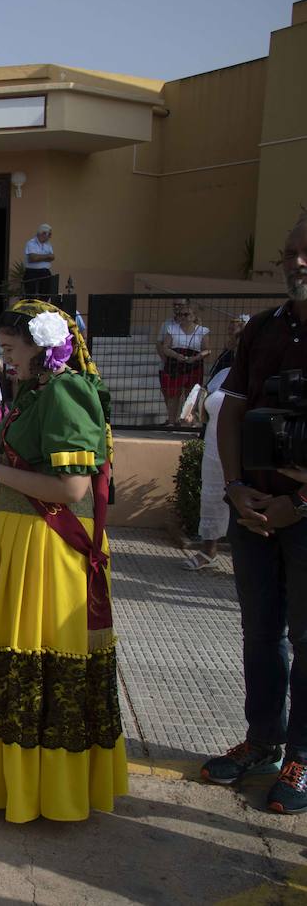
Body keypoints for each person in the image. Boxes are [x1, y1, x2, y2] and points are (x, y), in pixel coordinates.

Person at [0, 299, 125, 822]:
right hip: (21, 537)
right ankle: (12, 776)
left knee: (35, 654)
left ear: (42, 347)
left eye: (8, 349)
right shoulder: (38, 390)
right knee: (8, 649)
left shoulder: (65, 391)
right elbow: (33, 465)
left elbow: (71, 488)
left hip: (48, 545)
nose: (3, 359)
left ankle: (46, 789)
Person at [200, 214, 307, 814]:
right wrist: (236, 488)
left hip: (302, 515)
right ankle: (264, 742)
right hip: (254, 511)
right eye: (290, 252)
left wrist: (300, 504)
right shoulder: (265, 328)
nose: (297, 263)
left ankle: (303, 757)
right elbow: (232, 410)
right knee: (262, 633)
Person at [184, 366, 233, 571]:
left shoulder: (260, 372)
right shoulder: (224, 373)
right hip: (214, 446)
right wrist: (193, 412)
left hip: (242, 446)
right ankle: (208, 551)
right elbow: (205, 404)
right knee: (212, 498)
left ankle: (246, 555)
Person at [157, 299, 211, 427]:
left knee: (191, 393)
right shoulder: (172, 328)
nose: (183, 317)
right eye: (181, 314)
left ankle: (189, 422)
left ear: (194, 316)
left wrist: (196, 358)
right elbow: (165, 347)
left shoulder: (202, 331)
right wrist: (176, 356)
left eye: (186, 314)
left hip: (194, 363)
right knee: (173, 394)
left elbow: (207, 350)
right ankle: (172, 422)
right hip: (176, 362)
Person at [208, 313, 250, 382]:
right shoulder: (228, 342)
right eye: (229, 329)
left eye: (233, 329)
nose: (229, 332)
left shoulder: (240, 343)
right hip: (221, 369)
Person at [23, 223, 57, 295]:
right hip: (32, 273)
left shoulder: (48, 244)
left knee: (45, 295)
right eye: (49, 234)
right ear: (43, 233)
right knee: (31, 296)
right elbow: (33, 258)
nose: (50, 237)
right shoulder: (31, 243)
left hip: (45, 273)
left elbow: (52, 257)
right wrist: (47, 256)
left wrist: (39, 257)